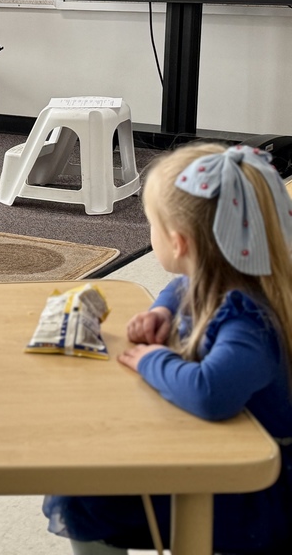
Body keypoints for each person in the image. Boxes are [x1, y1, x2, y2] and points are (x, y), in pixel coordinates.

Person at [44, 143, 292, 554]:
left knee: (85, 497)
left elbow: (210, 394)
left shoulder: (248, 320)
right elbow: (182, 286)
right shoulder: (231, 275)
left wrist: (152, 360)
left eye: (151, 225)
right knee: (89, 486)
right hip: (220, 454)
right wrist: (162, 310)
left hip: (250, 488)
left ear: (178, 244)